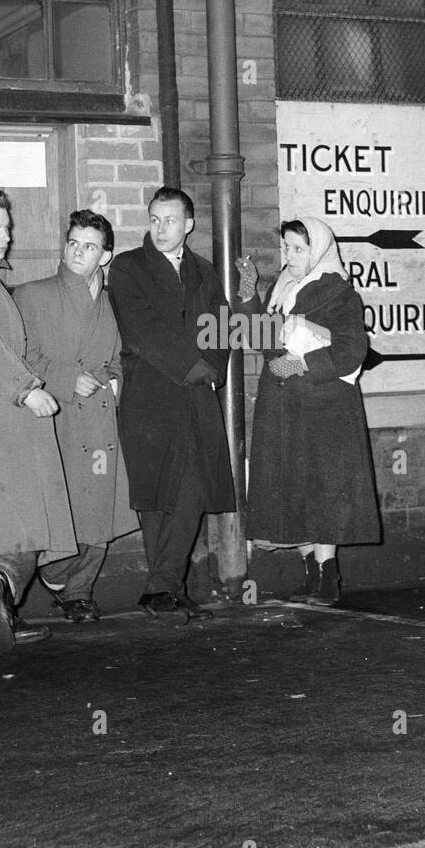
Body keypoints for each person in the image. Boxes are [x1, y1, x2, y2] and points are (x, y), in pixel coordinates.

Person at [0, 187, 79, 652]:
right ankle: (1, 584)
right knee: (29, 515)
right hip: (2, 415)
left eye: (7, 227)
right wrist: (24, 389)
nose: (6, 236)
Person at [108, 187, 241, 623]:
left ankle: (162, 586)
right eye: (154, 219)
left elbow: (221, 330)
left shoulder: (203, 272)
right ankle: (166, 586)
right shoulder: (128, 268)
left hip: (196, 397)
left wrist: (213, 369)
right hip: (150, 397)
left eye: (170, 220)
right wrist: (195, 368)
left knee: (192, 488)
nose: (161, 229)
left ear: (189, 225)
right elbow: (141, 330)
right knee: (157, 493)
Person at [238, 216, 382, 605]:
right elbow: (264, 343)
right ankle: (311, 572)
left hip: (323, 409)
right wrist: (250, 296)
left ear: (318, 250)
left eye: (299, 248)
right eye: (286, 247)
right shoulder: (280, 288)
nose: (290, 255)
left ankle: (327, 576)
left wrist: (305, 363)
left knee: (323, 492)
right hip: (283, 407)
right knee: (293, 491)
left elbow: (353, 349)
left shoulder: (339, 293)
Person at [12, 210, 138, 622]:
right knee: (61, 501)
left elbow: (122, 353)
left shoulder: (113, 301)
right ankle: (55, 572)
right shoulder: (33, 295)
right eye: (73, 243)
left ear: (105, 256)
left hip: (100, 418)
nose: (77, 252)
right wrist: (67, 378)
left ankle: (79, 591)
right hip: (58, 414)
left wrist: (116, 382)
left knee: (100, 507)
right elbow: (20, 355)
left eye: (89, 247)